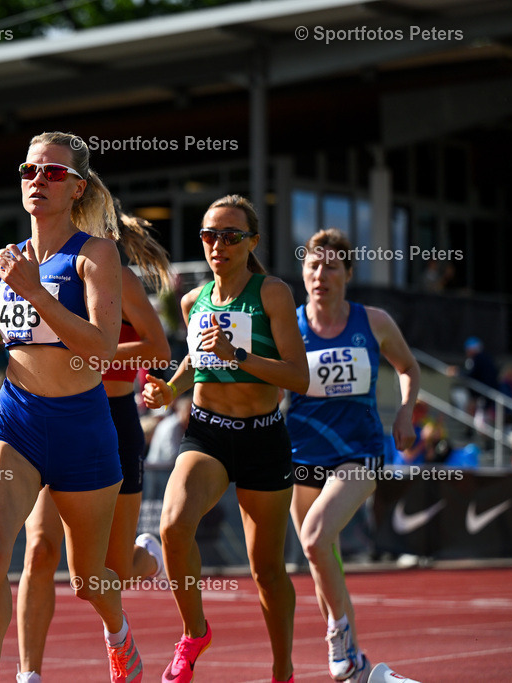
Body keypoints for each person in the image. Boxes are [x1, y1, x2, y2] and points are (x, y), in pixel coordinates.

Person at [0, 131, 143, 683]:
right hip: (16, 417)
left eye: (53, 173)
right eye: (29, 170)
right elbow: (22, 336)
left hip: (83, 429)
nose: (38, 180)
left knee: (90, 579)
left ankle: (117, 630)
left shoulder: (97, 253)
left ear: (77, 189)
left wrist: (35, 292)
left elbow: (102, 347)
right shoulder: (7, 260)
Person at [141, 194, 309, 683]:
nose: (218, 244)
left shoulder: (273, 292)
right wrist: (167, 388)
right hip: (209, 435)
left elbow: (298, 377)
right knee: (173, 526)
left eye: (231, 236)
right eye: (209, 235)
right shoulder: (193, 301)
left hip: (263, 438)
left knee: (267, 572)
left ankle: (282, 670)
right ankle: (194, 632)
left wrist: (242, 356)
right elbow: (196, 362)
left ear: (251, 241)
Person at [15, 208, 173, 682]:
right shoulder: (38, 271)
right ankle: (29, 674)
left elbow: (159, 350)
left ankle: (144, 566)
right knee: (40, 550)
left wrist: (91, 346)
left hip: (111, 421)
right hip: (52, 417)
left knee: (110, 570)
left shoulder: (117, 276)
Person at [287, 228, 420, 683]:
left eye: (330, 266)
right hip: (301, 452)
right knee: (324, 557)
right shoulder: (288, 322)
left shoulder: (374, 321)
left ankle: (338, 634)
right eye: (312, 266)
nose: (320, 274)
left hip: (359, 452)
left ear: (348, 273)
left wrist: (405, 412)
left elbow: (408, 366)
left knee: (313, 538)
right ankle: (356, 663)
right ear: (303, 273)